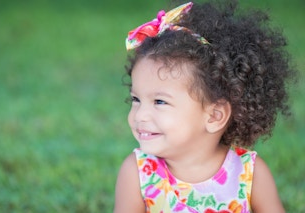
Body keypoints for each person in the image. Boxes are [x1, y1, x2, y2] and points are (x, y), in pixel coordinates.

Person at [115, 1, 294, 212]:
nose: (140, 115)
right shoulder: (138, 173)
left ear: (214, 116)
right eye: (136, 99)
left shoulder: (249, 173)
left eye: (160, 102)